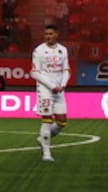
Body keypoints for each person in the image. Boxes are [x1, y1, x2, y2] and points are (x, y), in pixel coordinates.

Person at [31, 24, 70, 162]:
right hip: (45, 89)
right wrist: (51, 86)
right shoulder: (38, 51)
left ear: (57, 34)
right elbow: (34, 73)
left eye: (51, 34)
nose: (48, 36)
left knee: (62, 122)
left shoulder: (63, 50)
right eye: (46, 34)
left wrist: (62, 85)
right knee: (47, 120)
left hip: (59, 90)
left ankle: (42, 139)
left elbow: (66, 70)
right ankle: (46, 153)